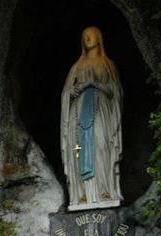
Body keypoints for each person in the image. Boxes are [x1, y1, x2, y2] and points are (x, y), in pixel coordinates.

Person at [60, 25, 123, 210]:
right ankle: (83, 195)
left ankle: (105, 191)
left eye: (91, 34)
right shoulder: (77, 66)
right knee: (78, 151)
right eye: (84, 35)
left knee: (102, 147)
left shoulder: (107, 64)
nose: (88, 38)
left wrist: (95, 85)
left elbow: (116, 92)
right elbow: (66, 93)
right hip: (78, 115)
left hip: (100, 113)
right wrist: (77, 89)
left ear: (99, 38)